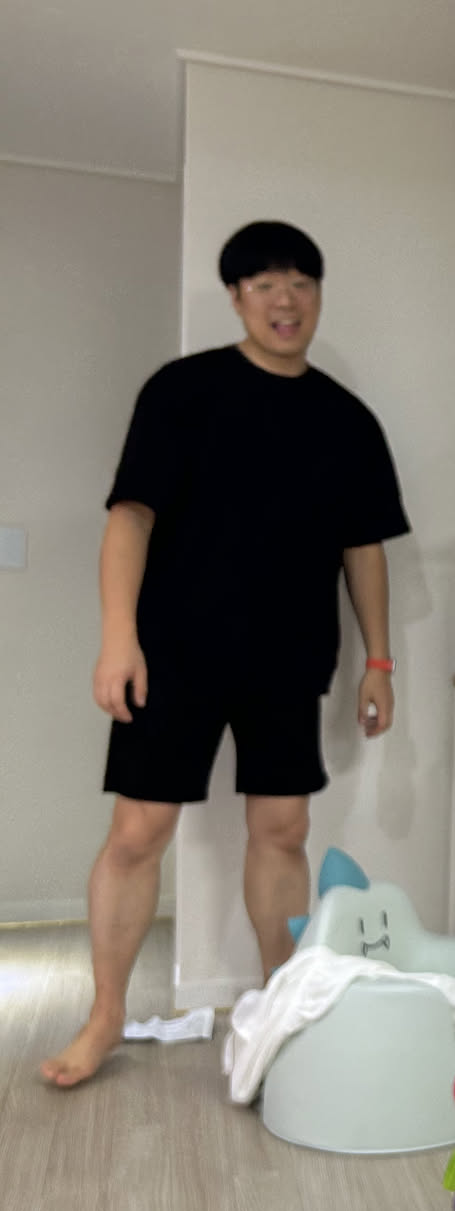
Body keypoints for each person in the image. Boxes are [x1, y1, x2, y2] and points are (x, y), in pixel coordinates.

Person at [43, 221, 410, 1088]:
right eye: (265, 284)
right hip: (171, 653)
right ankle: (105, 1015)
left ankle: (278, 1009)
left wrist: (380, 661)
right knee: (140, 830)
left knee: (283, 830)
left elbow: (364, 550)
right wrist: (117, 637)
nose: (286, 301)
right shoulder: (181, 392)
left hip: (289, 658)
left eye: (301, 284)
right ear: (238, 297)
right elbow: (130, 518)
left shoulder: (346, 420)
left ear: (317, 296)